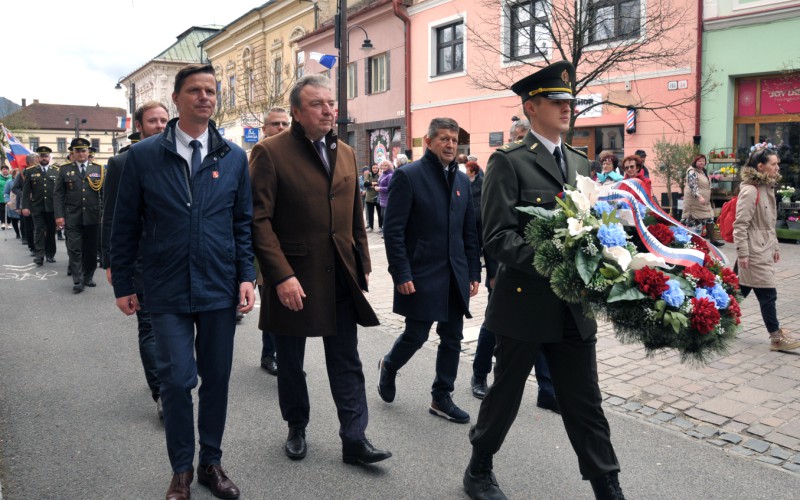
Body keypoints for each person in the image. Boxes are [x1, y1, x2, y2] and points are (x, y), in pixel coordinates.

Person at [464, 61, 624, 500]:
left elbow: (591, 223)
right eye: (556, 101)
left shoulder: (579, 161)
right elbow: (497, 238)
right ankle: (478, 468)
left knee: (585, 402)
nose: (566, 108)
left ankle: (608, 486)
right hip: (524, 302)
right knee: (507, 394)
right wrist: (558, 260)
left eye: (569, 101)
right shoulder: (508, 162)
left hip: (573, 306)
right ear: (532, 108)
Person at [111, 63, 255, 500]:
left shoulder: (232, 157)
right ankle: (180, 470)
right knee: (176, 381)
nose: (205, 97)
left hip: (218, 284)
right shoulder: (143, 156)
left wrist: (247, 275)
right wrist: (123, 284)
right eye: (195, 90)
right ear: (176, 98)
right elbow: (125, 225)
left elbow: (242, 222)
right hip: (165, 286)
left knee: (217, 378)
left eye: (211, 91)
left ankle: (210, 461)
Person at [249, 74, 391, 466]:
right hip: (293, 277)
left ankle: (354, 438)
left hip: (339, 275)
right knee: (291, 360)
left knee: (347, 358)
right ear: (296, 112)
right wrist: (280, 275)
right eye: (317, 104)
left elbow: (352, 216)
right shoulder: (270, 152)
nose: (329, 110)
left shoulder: (345, 151)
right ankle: (296, 425)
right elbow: (258, 221)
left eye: (331, 103)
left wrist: (361, 263)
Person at [378, 117, 481, 424]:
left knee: (453, 337)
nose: (450, 144)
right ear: (429, 141)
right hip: (421, 271)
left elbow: (469, 231)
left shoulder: (462, 180)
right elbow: (393, 230)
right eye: (444, 139)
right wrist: (401, 273)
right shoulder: (408, 176)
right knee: (417, 334)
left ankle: (441, 396)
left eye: (454, 140)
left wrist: (474, 271)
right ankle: (389, 365)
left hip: (455, 272)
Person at [102, 101, 170, 420]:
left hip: (177, 259)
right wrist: (113, 261)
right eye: (153, 121)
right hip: (140, 258)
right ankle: (161, 393)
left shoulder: (181, 158)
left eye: (163, 120)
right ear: (139, 127)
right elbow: (112, 216)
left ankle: (170, 378)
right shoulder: (121, 164)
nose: (159, 125)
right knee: (149, 325)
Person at [734, 148, 799, 351]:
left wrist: (776, 246)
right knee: (767, 294)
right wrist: (743, 253)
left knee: (738, 291)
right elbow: (740, 225)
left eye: (777, 163)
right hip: (753, 250)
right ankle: (776, 337)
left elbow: (769, 223)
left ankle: (716, 324)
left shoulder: (767, 187)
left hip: (763, 247)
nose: (777, 167)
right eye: (773, 163)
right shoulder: (751, 190)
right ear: (760, 166)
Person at [255, 106, 291, 376]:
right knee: (271, 303)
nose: (281, 128)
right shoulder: (258, 155)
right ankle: (270, 354)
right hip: (262, 248)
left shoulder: (292, 156)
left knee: (287, 307)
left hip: (290, 245)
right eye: (275, 124)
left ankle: (285, 355)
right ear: (265, 128)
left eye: (284, 123)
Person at [54, 139, 103, 293]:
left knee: (91, 249)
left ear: (88, 152)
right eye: (78, 151)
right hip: (72, 216)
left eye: (84, 151)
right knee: (74, 248)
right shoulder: (64, 170)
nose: (81, 154)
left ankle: (88, 276)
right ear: (72, 153)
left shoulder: (99, 169)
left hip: (93, 216)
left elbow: (104, 194)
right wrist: (59, 216)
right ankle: (78, 280)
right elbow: (58, 194)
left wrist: (105, 215)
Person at [22, 146, 60, 265]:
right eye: (42, 156)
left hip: (52, 206)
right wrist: (25, 206)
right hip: (37, 206)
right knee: (38, 230)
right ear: (38, 158)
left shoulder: (56, 171)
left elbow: (60, 191)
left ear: (49, 157)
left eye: (46, 156)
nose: (44, 158)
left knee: (51, 231)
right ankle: (39, 255)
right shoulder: (31, 171)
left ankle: (50, 254)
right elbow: (26, 191)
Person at [681, 154, 725, 246]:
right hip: (695, 201)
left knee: (710, 218)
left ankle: (713, 240)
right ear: (695, 162)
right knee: (693, 221)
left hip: (704, 201)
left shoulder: (703, 171)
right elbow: (693, 185)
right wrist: (699, 196)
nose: (702, 162)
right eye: (699, 161)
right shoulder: (692, 172)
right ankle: (690, 242)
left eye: (703, 161)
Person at [15, 155, 37, 254]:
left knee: (40, 227)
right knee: (30, 226)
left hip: (40, 204)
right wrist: (25, 194)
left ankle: (41, 247)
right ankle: (32, 246)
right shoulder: (22, 173)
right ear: (28, 163)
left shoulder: (40, 172)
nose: (37, 163)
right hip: (28, 204)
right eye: (35, 162)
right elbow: (15, 188)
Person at [3, 168, 21, 238]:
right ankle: (17, 233)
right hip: (13, 203)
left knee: (23, 220)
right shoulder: (9, 182)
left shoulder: (24, 181)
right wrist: (7, 201)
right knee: (14, 219)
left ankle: (24, 234)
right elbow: (6, 193)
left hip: (22, 203)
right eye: (17, 174)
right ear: (13, 175)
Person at [363, 163, 381, 231]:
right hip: (369, 197)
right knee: (370, 213)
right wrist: (375, 184)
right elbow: (365, 184)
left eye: (376, 168)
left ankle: (380, 227)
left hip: (378, 196)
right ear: (371, 168)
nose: (375, 169)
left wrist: (371, 184)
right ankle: (371, 227)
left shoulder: (380, 175)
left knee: (379, 213)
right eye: (373, 168)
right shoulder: (368, 174)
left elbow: (381, 183)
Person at [0, 164, 10, 230]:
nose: (5, 171)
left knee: (9, 210)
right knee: (2, 210)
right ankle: (3, 223)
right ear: (1, 170)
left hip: (10, 197)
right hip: (0, 197)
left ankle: (9, 223)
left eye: (6, 169)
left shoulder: (11, 177)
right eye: (4, 169)